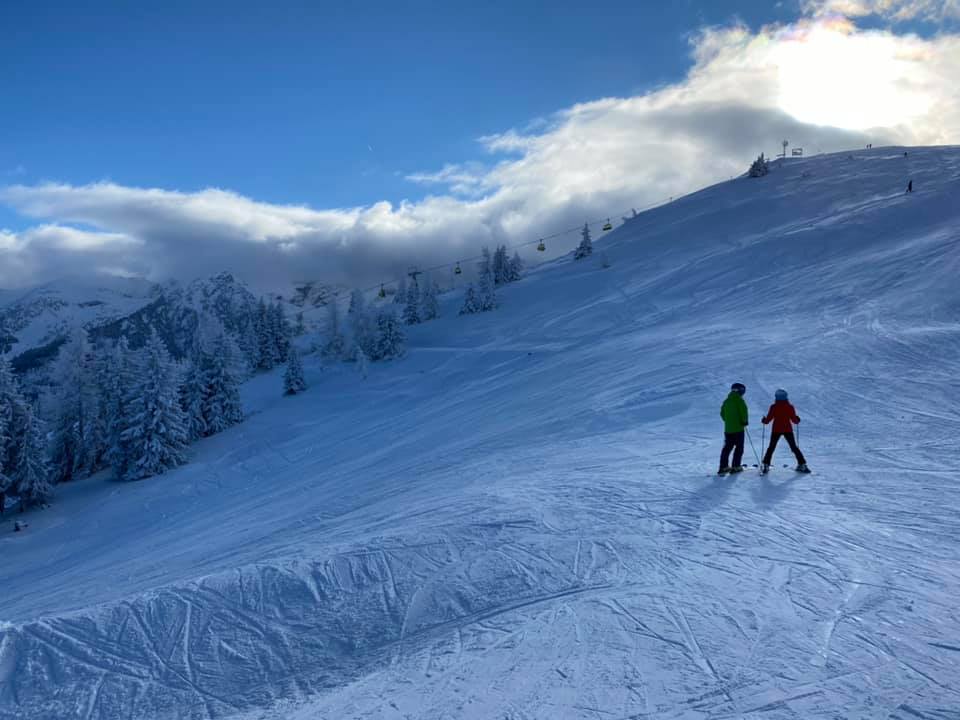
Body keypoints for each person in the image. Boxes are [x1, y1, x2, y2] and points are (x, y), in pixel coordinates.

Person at [761, 389, 809, 473]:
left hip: (776, 429)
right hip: (787, 429)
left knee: (771, 447)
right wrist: (797, 419)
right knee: (794, 447)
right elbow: (794, 420)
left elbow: (768, 420)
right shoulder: (790, 407)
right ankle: (802, 464)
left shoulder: (774, 407)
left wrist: (764, 420)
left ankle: (766, 464)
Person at [719, 382, 748, 475]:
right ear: (740, 391)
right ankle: (736, 466)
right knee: (739, 448)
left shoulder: (726, 401)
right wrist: (744, 421)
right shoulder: (739, 400)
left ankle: (723, 467)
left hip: (728, 430)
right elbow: (743, 411)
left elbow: (722, 414)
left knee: (727, 448)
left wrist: (728, 421)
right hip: (738, 429)